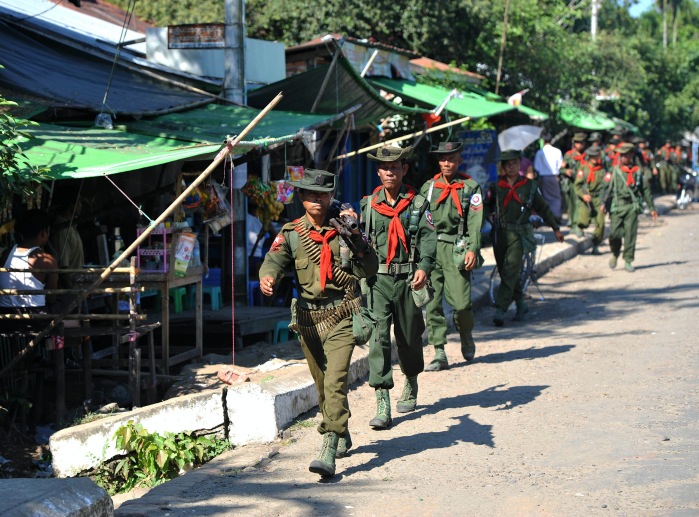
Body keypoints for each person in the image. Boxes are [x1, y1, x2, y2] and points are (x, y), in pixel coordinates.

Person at [258, 169, 378, 478]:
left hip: (341, 314)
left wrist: (359, 242)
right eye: (311, 195)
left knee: (336, 379)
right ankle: (341, 428)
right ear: (301, 197)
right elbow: (273, 261)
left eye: (323, 195)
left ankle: (328, 443)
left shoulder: (345, 228)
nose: (317, 200)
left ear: (330, 196)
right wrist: (267, 277)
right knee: (322, 382)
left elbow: (369, 269)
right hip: (309, 320)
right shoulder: (292, 233)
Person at [360, 145, 436, 429]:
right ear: (378, 171)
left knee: (409, 336)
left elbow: (429, 239)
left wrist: (424, 268)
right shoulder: (368, 205)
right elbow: (363, 243)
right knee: (377, 338)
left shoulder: (417, 203)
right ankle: (383, 402)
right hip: (377, 281)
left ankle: (411, 380)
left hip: (407, 281)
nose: (389, 172)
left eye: (395, 167)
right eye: (384, 167)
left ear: (404, 169)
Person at [419, 141, 484, 371]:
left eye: (452, 158)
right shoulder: (428, 187)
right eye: (443, 159)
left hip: (457, 249)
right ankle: (439, 351)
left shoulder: (470, 188)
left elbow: (475, 223)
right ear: (439, 162)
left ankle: (466, 333)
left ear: (459, 160)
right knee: (432, 304)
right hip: (431, 250)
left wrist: (472, 249)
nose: (447, 163)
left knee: (462, 303)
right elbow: (419, 219)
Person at [486, 150, 564, 327]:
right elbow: (485, 206)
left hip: (520, 235)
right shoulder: (496, 186)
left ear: (519, 164)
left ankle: (500, 309)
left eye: (514, 163)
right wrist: (488, 216)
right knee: (506, 271)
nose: (511, 166)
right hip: (500, 235)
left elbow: (543, 208)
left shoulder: (529, 186)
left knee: (511, 269)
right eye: (507, 164)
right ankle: (521, 304)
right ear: (503, 167)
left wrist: (556, 229)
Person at [602, 143, 658, 273]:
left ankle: (628, 260)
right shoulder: (614, 170)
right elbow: (605, 189)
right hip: (617, 206)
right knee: (614, 234)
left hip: (631, 207)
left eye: (625, 155)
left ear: (632, 155)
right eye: (621, 155)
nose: (622, 158)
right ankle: (615, 253)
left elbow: (645, 190)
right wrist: (603, 203)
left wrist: (652, 208)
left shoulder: (638, 172)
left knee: (630, 235)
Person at [0, 209, 58, 331]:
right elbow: (52, 298)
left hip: (6, 318)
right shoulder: (47, 260)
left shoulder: (6, 254)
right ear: (44, 232)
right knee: (70, 297)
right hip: (34, 320)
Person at [573, 146, 608, 255]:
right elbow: (577, 186)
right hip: (586, 199)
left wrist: (604, 202)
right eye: (592, 156)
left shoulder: (602, 169)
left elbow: (606, 187)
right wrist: (583, 195)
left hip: (599, 199)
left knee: (600, 224)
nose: (595, 158)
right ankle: (579, 227)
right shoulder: (583, 169)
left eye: (596, 156)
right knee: (584, 221)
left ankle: (596, 245)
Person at [533, 133, 563, 222]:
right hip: (554, 176)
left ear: (543, 141)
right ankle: (556, 215)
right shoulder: (557, 151)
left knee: (546, 197)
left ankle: (548, 216)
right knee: (556, 197)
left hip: (544, 177)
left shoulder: (540, 152)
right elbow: (560, 165)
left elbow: (536, 166)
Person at [562, 132, 587, 235]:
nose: (580, 145)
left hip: (583, 183)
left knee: (580, 205)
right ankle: (573, 224)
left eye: (581, 143)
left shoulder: (587, 155)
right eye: (577, 143)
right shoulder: (568, 155)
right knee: (572, 205)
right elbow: (561, 169)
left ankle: (579, 225)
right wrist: (566, 171)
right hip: (572, 183)